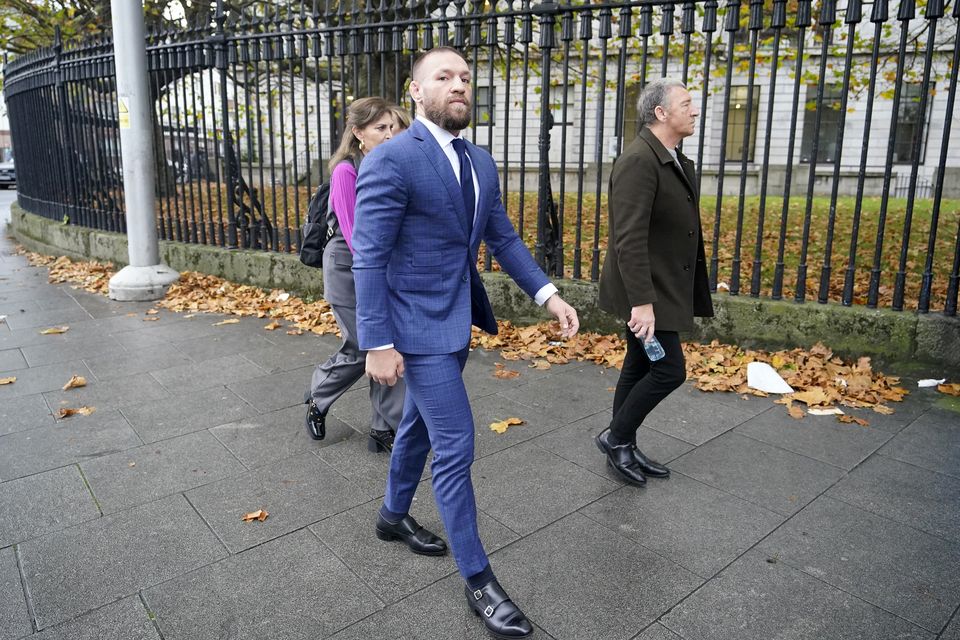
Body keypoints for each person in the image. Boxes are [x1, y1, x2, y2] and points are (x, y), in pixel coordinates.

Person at [351, 47, 579, 639]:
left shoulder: (480, 161)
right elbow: (369, 255)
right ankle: (480, 581)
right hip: (412, 327)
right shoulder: (393, 159)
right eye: (444, 77)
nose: (459, 86)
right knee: (455, 442)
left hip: (455, 321)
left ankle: (391, 516)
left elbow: (502, 238)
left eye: (465, 78)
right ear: (415, 91)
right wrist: (377, 341)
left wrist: (548, 297)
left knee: (420, 428)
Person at [596, 78, 714, 486]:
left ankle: (621, 443)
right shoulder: (639, 161)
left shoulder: (670, 156)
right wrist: (642, 303)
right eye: (686, 103)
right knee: (668, 370)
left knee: (638, 363)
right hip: (647, 292)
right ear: (661, 113)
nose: (694, 110)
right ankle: (617, 438)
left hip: (659, 285)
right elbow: (627, 239)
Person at [305, 97, 405, 453]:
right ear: (358, 132)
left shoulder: (390, 167)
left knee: (387, 344)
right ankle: (319, 396)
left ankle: (385, 427)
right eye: (381, 128)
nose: (391, 134)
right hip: (350, 270)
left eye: (394, 127)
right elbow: (355, 234)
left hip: (382, 269)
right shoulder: (346, 171)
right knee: (363, 344)